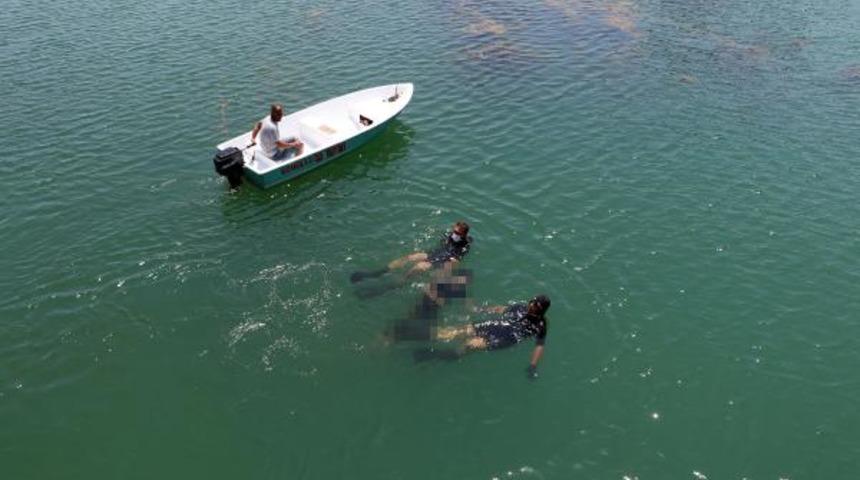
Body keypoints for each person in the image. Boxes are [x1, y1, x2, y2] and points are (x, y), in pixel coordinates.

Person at [416, 295, 551, 379]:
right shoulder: (520, 307)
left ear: (541, 310)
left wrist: (533, 365)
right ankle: (415, 333)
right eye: (532, 301)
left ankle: (434, 356)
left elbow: (540, 345)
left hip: (504, 338)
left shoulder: (541, 324)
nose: (531, 305)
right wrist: (480, 309)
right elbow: (502, 309)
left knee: (470, 345)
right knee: (451, 333)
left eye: (536, 305)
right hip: (493, 325)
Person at [351, 221, 472, 283]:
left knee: (417, 267)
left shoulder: (466, 245)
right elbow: (442, 242)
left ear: (463, 234)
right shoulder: (449, 235)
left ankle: (394, 285)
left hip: (442, 259)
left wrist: (444, 272)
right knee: (410, 257)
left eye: (457, 233)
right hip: (435, 253)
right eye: (454, 231)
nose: (454, 234)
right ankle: (377, 273)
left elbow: (456, 260)